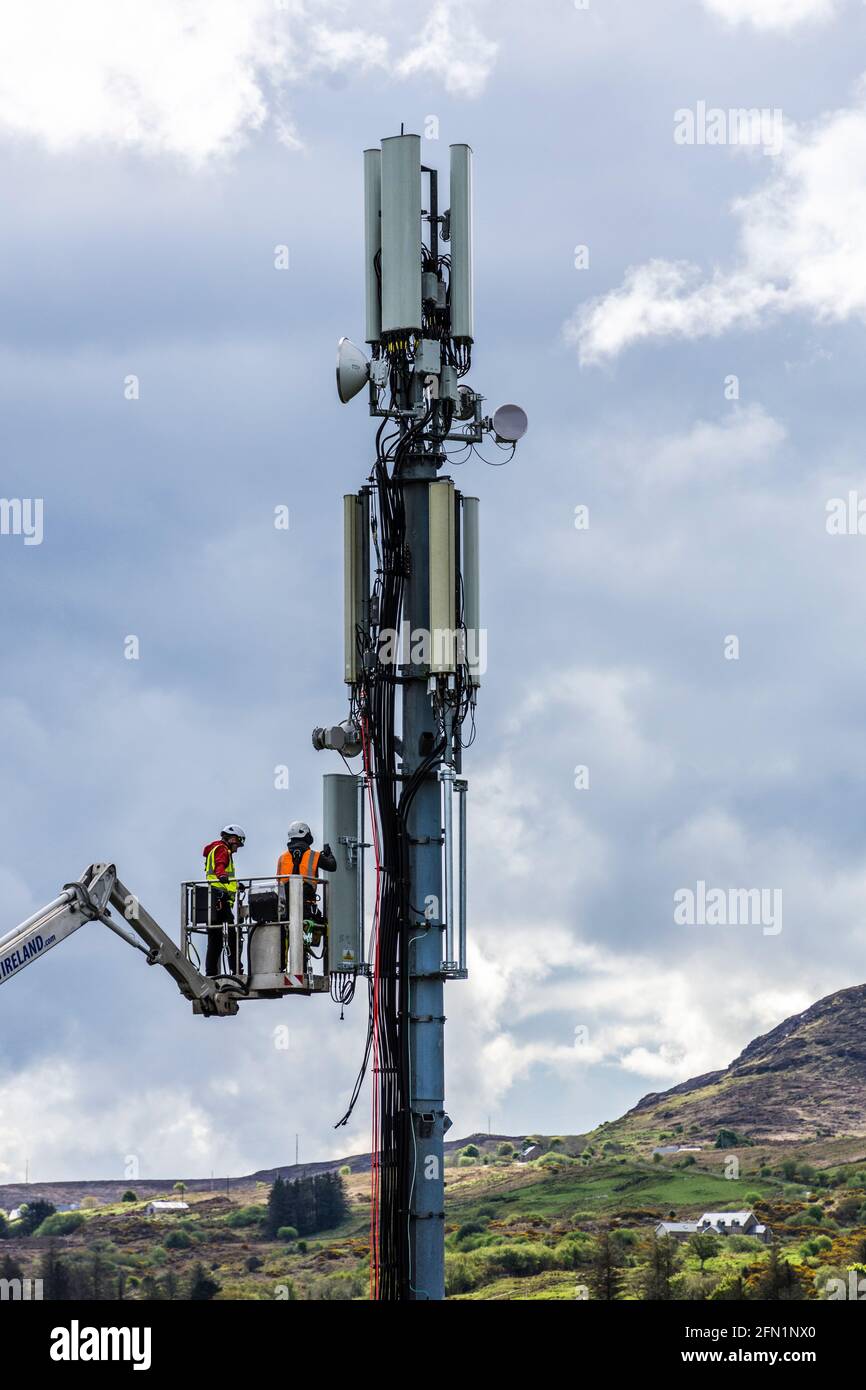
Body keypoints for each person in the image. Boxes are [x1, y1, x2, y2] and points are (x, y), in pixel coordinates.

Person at [276, 821, 336, 931]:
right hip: (307, 908)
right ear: (306, 836)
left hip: (285, 909)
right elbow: (332, 866)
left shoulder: (282, 858)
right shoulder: (314, 855)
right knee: (320, 927)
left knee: (284, 939)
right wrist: (329, 854)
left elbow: (278, 883)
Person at [202, 825, 246, 976]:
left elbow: (224, 875)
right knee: (233, 936)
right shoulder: (222, 850)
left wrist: (236, 885)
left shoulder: (216, 849)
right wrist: (221, 875)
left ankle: (211, 973)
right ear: (232, 839)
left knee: (214, 939)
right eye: (238, 844)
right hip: (220, 899)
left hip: (214, 898)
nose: (237, 848)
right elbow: (220, 867)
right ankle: (236, 970)